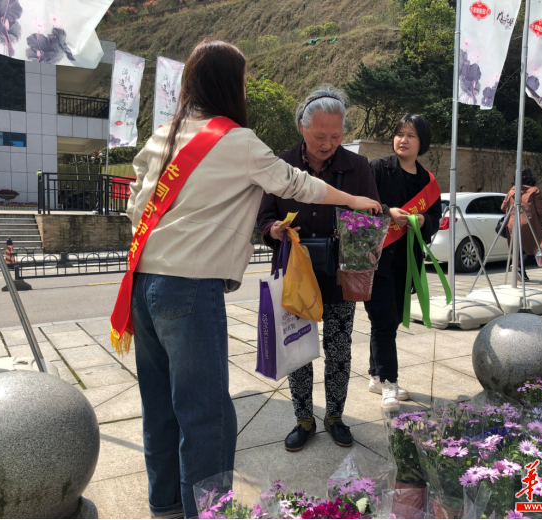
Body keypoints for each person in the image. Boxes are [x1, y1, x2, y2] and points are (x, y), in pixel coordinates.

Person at [121, 40, 382, 519]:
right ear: (227, 84)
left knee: (160, 407)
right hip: (190, 288)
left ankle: (166, 508)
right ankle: (207, 512)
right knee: (208, 416)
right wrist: (357, 201)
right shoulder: (235, 140)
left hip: (144, 283)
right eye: (241, 80)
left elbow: (135, 201)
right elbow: (295, 184)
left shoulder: (167, 132)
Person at [256, 87, 380, 452]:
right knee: (298, 349)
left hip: (339, 277)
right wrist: (273, 230)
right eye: (319, 136)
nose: (328, 144)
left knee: (339, 351)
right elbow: (264, 216)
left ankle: (336, 417)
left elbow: (371, 215)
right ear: (301, 128)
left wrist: (361, 228)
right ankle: (304, 419)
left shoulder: (357, 168)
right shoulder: (281, 166)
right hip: (296, 276)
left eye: (336, 136)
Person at [366, 114, 442, 411]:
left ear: (422, 142)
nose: (403, 139)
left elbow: (435, 218)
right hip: (377, 258)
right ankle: (389, 383)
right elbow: (361, 203)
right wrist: (387, 211)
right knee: (384, 320)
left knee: (391, 319)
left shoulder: (428, 181)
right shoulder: (379, 169)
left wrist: (423, 219)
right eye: (399, 133)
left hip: (407, 262)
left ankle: (375, 375)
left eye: (410, 135)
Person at [501, 168, 542, 283]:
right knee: (537, 248)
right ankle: (518, 266)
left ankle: (521, 272)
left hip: (512, 222)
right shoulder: (534, 190)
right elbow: (541, 210)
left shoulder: (512, 191)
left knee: (519, 248)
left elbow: (503, 207)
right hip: (529, 222)